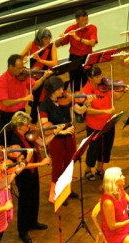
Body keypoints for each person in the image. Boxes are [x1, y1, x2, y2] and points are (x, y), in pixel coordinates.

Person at [7, 111, 52, 243]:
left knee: (34, 196)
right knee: (25, 201)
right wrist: (42, 163)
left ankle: (33, 222)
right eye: (27, 125)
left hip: (33, 171)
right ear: (20, 127)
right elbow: (22, 164)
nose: (30, 127)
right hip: (23, 174)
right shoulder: (15, 141)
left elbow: (37, 143)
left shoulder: (27, 135)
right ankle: (23, 230)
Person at [39, 76, 82, 204]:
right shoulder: (44, 105)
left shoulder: (65, 99)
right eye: (60, 88)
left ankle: (68, 189)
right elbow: (45, 127)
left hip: (69, 135)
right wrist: (61, 131)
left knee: (69, 164)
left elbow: (79, 110)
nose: (63, 90)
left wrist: (87, 103)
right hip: (56, 139)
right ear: (53, 90)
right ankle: (57, 193)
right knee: (58, 166)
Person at [76, 66, 122, 178]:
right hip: (95, 126)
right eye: (97, 77)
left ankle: (99, 168)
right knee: (93, 149)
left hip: (109, 123)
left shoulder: (105, 85)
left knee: (107, 147)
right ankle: (87, 170)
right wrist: (106, 111)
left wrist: (123, 90)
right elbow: (89, 111)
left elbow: (116, 97)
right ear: (89, 78)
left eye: (100, 75)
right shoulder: (85, 91)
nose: (100, 78)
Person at [56, 8, 97, 122]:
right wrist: (60, 39)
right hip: (74, 59)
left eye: (86, 19)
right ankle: (77, 111)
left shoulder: (92, 28)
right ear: (77, 20)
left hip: (86, 58)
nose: (85, 22)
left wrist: (77, 38)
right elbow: (57, 44)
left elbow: (92, 42)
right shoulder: (71, 29)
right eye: (83, 20)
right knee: (75, 85)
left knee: (86, 85)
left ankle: (87, 108)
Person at [0, 54, 50, 133]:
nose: (22, 70)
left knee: (24, 136)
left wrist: (43, 77)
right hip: (8, 116)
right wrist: (24, 99)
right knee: (7, 139)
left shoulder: (24, 75)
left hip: (21, 112)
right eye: (19, 68)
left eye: (22, 67)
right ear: (11, 67)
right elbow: (6, 103)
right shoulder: (2, 81)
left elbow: (34, 86)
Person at [20, 28, 58, 124]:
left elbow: (54, 63)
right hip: (34, 77)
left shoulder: (51, 46)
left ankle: (46, 121)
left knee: (45, 101)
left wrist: (40, 60)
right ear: (40, 39)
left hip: (46, 76)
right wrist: (24, 59)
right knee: (35, 103)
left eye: (49, 38)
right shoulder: (32, 44)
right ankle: (33, 122)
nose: (48, 41)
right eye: (46, 39)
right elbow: (20, 57)